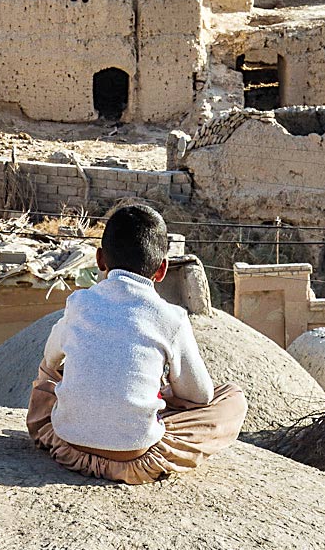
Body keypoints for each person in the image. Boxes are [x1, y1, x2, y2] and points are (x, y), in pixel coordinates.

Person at [26, 203, 247, 484]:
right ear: (162, 269)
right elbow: (201, 396)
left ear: (100, 260)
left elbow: (49, 360)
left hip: (69, 449)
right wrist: (167, 394)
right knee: (231, 399)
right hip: (136, 460)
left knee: (49, 374)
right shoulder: (171, 317)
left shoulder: (79, 303)